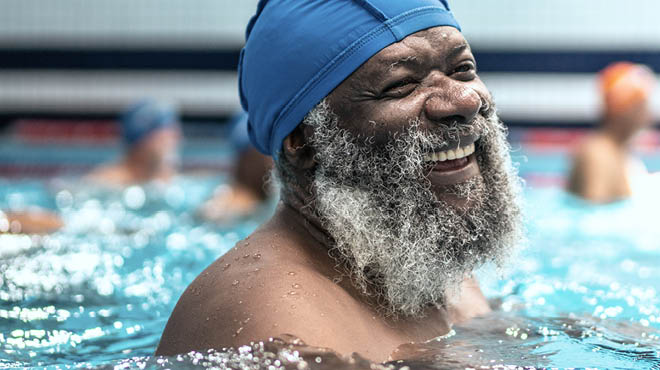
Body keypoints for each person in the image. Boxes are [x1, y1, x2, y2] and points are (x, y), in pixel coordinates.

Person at [157, 0, 523, 362]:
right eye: (401, 85)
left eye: (462, 69)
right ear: (302, 141)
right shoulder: (273, 322)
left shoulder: (422, 267)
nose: (464, 99)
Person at [568, 62, 656, 203]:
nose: (648, 115)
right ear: (626, 110)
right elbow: (594, 214)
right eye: (643, 106)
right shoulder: (596, 155)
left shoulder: (621, 154)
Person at [197, 112, 273, 224]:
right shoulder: (229, 208)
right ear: (250, 157)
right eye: (267, 150)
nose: (273, 160)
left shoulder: (225, 195)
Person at [86, 99, 181, 186]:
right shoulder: (105, 183)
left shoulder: (173, 182)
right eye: (163, 138)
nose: (173, 142)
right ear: (140, 142)